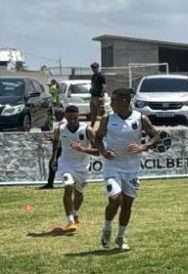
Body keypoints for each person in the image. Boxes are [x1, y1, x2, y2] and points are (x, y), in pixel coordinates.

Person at [89, 87, 160, 251]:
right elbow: (98, 138)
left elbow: (156, 136)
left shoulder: (140, 118)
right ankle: (107, 228)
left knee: (127, 204)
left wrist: (144, 146)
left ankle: (120, 237)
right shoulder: (108, 118)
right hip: (112, 167)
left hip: (132, 169)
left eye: (113, 100)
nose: (110, 104)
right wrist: (103, 151)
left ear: (124, 101)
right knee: (115, 199)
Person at [53, 105, 92, 232]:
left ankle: (75, 213)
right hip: (66, 163)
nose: (73, 120)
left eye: (75, 118)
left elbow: (98, 150)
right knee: (68, 186)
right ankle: (70, 220)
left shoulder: (87, 129)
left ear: (78, 116)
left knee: (79, 193)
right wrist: (53, 159)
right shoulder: (60, 129)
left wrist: (82, 149)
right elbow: (56, 144)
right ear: (66, 117)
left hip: (82, 165)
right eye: (70, 118)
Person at [39, 105, 66, 190]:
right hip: (63, 147)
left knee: (53, 164)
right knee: (55, 165)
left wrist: (54, 154)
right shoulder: (63, 123)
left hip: (62, 148)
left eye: (56, 114)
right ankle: (50, 183)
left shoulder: (62, 124)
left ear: (60, 114)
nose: (54, 116)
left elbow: (59, 140)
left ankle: (50, 183)